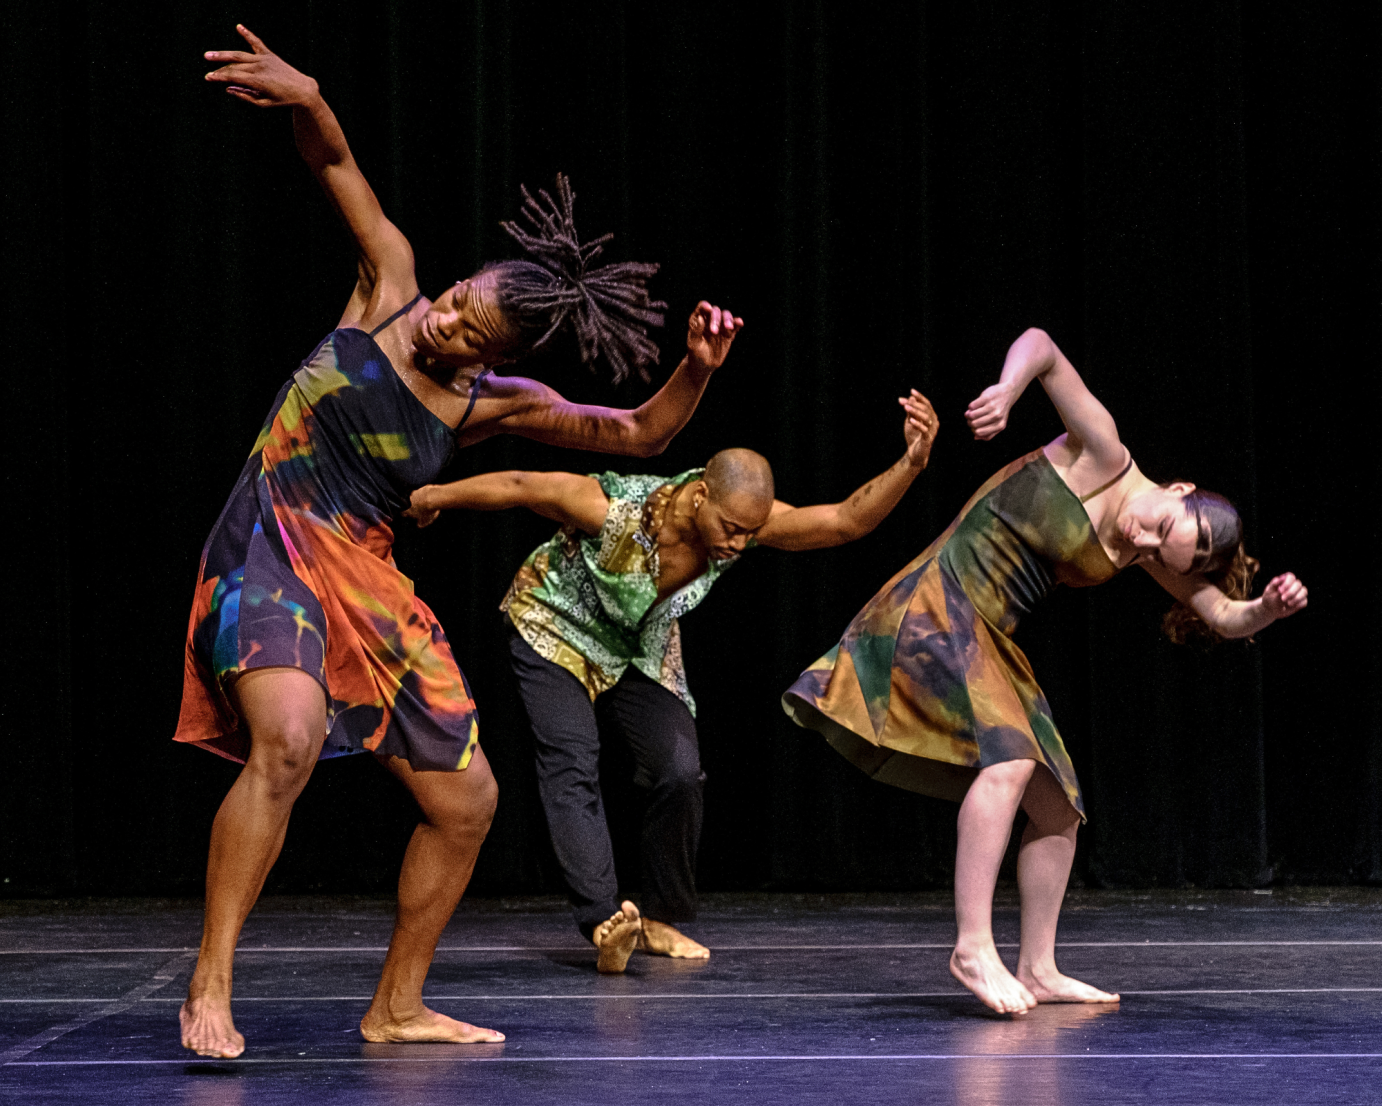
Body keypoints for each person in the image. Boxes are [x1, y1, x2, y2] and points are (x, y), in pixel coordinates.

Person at [176, 25, 744, 1059]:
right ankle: (209, 980)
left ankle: (396, 1005)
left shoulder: (488, 406)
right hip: (269, 540)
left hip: (366, 571)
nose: (444, 324)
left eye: (469, 333)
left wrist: (696, 367)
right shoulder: (388, 283)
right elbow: (335, 161)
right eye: (455, 304)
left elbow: (635, 435)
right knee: (290, 737)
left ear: (498, 357)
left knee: (467, 796)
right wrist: (309, 95)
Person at [783, 327, 1308, 1015]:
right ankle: (972, 945)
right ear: (1177, 488)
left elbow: (1223, 615)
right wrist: (1007, 389)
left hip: (988, 634)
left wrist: (1267, 609)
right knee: (1006, 766)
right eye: (1156, 527)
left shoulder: (1156, 553)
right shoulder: (1106, 452)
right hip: (941, 602)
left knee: (1057, 806)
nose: (1142, 543)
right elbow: (1043, 345)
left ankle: (1038, 967)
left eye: (1160, 553)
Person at [405, 390, 940, 971]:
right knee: (572, 762)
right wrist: (435, 495)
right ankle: (603, 921)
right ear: (702, 496)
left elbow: (845, 521)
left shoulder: (744, 526)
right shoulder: (614, 509)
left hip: (638, 645)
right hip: (554, 626)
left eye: (749, 533)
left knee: (680, 771)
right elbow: (520, 486)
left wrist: (911, 462)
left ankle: (657, 914)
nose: (739, 544)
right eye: (732, 528)